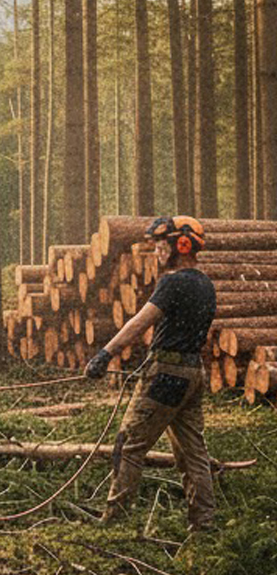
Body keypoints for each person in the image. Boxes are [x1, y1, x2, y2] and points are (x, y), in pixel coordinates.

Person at [85, 215, 217, 531]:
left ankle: (115, 520)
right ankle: (204, 522)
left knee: (129, 445)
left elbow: (140, 322)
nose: (157, 251)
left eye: (161, 245)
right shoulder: (206, 284)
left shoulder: (173, 282)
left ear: (181, 245)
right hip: (193, 373)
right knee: (193, 453)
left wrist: (105, 354)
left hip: (165, 376)